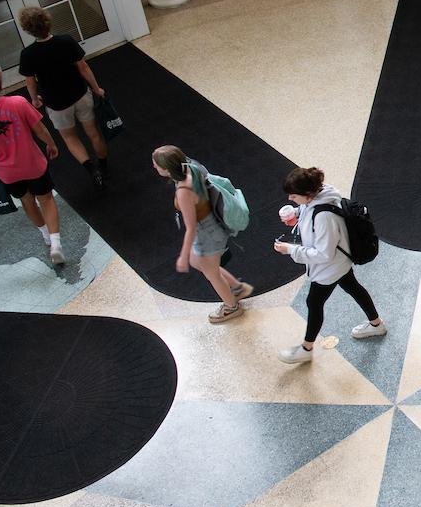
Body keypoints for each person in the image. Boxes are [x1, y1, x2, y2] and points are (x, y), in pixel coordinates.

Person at [272, 167, 385, 363]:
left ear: (308, 195)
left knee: (313, 303)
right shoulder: (322, 193)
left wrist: (290, 249)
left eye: (293, 195)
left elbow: (323, 253)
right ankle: (376, 325)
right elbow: (309, 209)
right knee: (354, 288)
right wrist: (298, 213)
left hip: (329, 268)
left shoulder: (324, 217)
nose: (290, 198)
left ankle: (306, 348)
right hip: (340, 262)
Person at [0, 64, 64, 265]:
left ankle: (45, 236)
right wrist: (51, 144)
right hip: (32, 164)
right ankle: (56, 244)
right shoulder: (18, 103)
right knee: (46, 199)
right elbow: (39, 129)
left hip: (7, 172)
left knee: (26, 201)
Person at [151, 145, 250, 323]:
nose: (154, 167)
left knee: (211, 274)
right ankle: (236, 288)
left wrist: (182, 256)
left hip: (207, 234)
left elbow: (190, 227)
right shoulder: (191, 165)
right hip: (210, 225)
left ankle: (231, 307)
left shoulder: (183, 191)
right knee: (198, 262)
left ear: (166, 169)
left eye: (156, 165)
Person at [17, 7, 109, 190]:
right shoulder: (66, 41)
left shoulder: (28, 54)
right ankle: (104, 166)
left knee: (70, 138)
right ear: (47, 21)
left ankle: (92, 170)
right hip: (81, 94)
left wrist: (34, 100)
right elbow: (83, 68)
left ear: (27, 29)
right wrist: (96, 88)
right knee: (93, 132)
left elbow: (30, 82)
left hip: (57, 104)